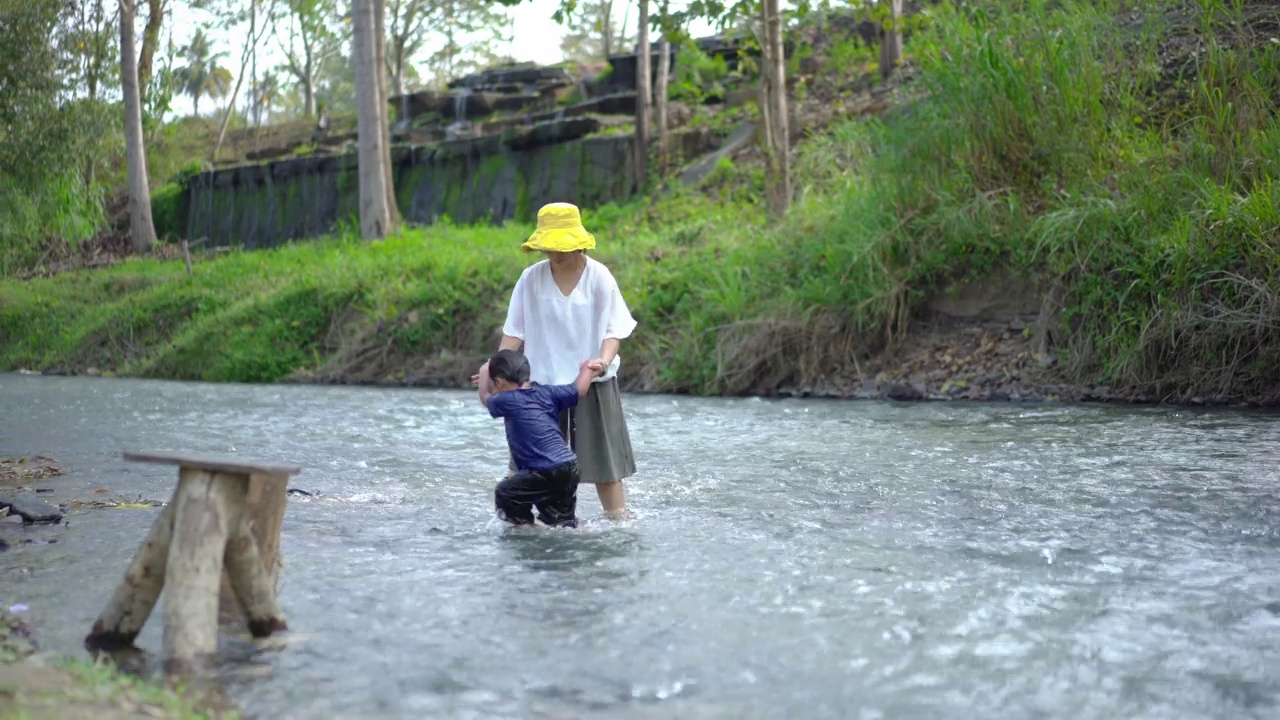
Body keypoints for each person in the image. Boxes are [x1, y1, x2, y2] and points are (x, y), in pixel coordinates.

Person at [472, 202, 639, 519]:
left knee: (605, 466)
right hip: (539, 386)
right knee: (526, 463)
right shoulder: (530, 279)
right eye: (549, 246)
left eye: (561, 245)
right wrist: (492, 369)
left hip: (591, 382)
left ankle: (619, 523)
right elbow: (513, 333)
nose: (555, 253)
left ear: (578, 242)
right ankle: (513, 524)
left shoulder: (599, 277)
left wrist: (602, 361)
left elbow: (614, 330)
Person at [478, 348, 600, 528]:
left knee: (506, 493)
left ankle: (525, 530)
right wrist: (587, 370)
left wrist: (483, 373)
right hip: (569, 466)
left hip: (544, 470)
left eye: (493, 384)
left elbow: (485, 398)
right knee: (560, 522)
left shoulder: (505, 400)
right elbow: (578, 390)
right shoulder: (547, 392)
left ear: (499, 382)